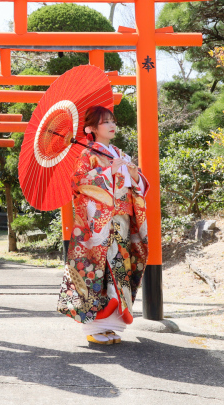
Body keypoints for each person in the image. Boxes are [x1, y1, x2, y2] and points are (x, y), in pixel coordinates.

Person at [56, 105, 149, 345]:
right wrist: (108, 172)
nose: (112, 125)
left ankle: (112, 327)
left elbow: (137, 188)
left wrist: (134, 175)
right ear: (90, 129)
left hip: (122, 220)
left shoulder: (119, 153)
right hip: (99, 226)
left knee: (120, 271)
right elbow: (78, 184)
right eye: (105, 122)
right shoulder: (87, 154)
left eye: (112, 120)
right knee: (98, 273)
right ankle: (95, 328)